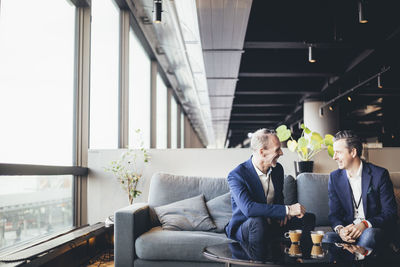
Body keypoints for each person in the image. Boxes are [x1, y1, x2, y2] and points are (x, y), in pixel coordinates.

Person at [224, 128, 315, 245]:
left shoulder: (278, 169)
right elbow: (249, 209)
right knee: (258, 222)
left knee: (308, 218)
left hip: (272, 222)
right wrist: (286, 210)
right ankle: (258, 262)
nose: (281, 153)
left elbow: (279, 197)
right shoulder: (237, 175)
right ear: (262, 152)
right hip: (247, 225)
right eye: (277, 149)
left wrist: (282, 214)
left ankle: (299, 259)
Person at [324, 130, 397, 249]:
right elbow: (334, 214)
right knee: (328, 238)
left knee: (368, 235)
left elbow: (390, 213)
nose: (334, 157)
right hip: (349, 231)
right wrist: (341, 230)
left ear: (353, 152)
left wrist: (365, 224)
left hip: (372, 229)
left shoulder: (380, 174)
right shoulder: (334, 177)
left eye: (338, 153)